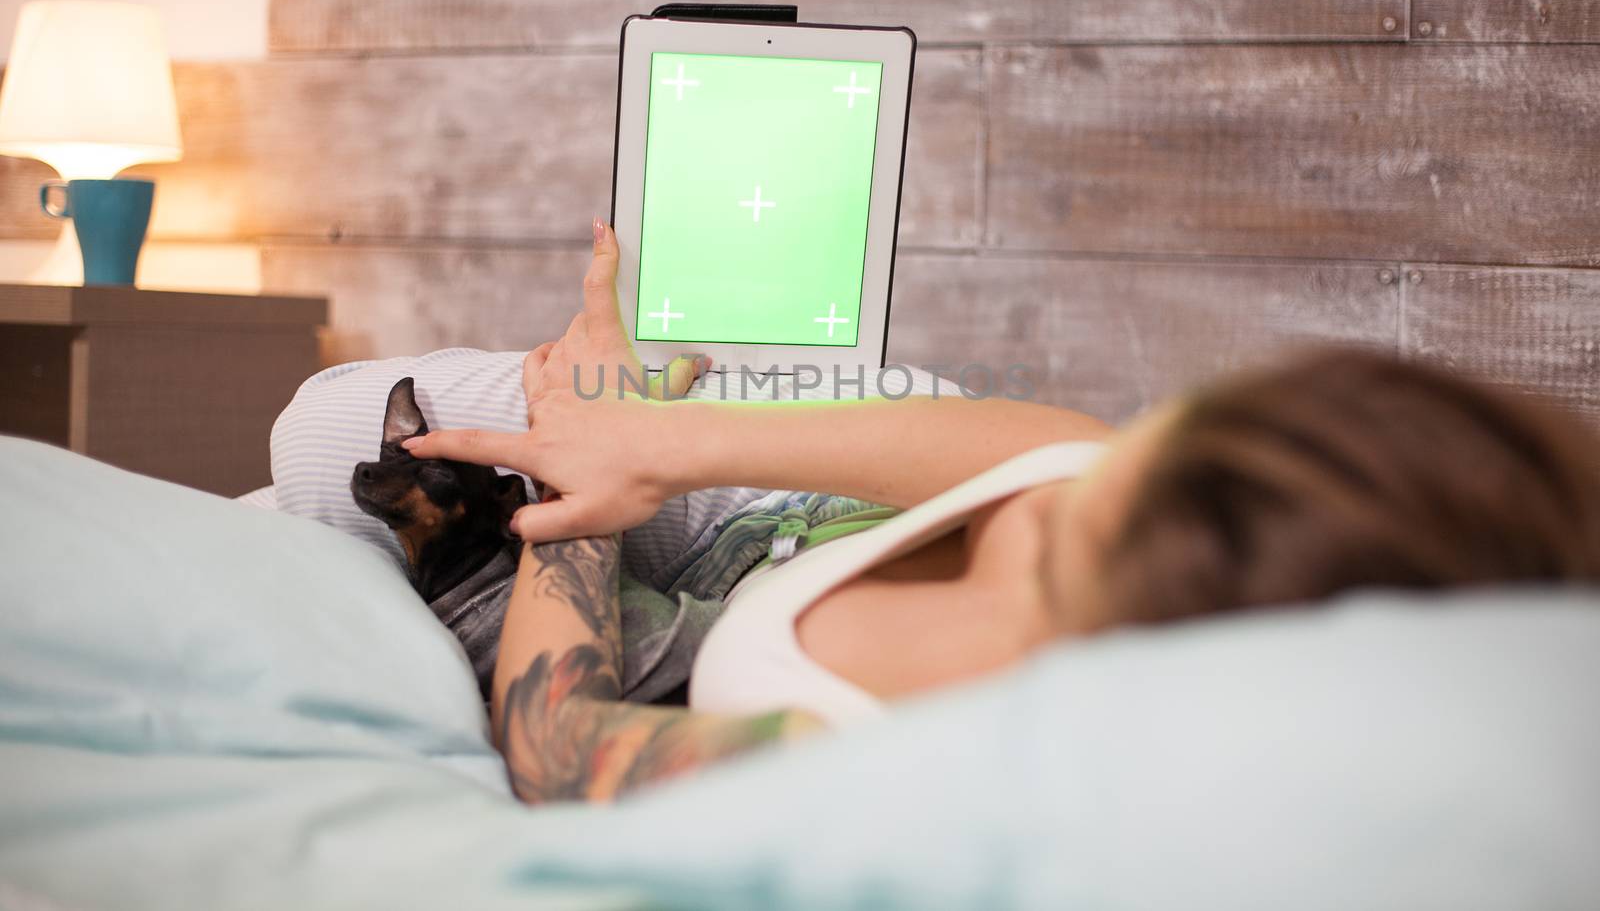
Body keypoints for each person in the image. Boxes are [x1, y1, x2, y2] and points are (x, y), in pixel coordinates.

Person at [403, 219, 1600, 805]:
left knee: (327, 444)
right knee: (338, 419)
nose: (1053, 504)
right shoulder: (1085, 466)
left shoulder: (928, 756)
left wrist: (582, 488)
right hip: (794, 501)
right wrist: (628, 413)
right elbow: (701, 441)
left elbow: (559, 751)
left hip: (662, 598)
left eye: (1081, 535)